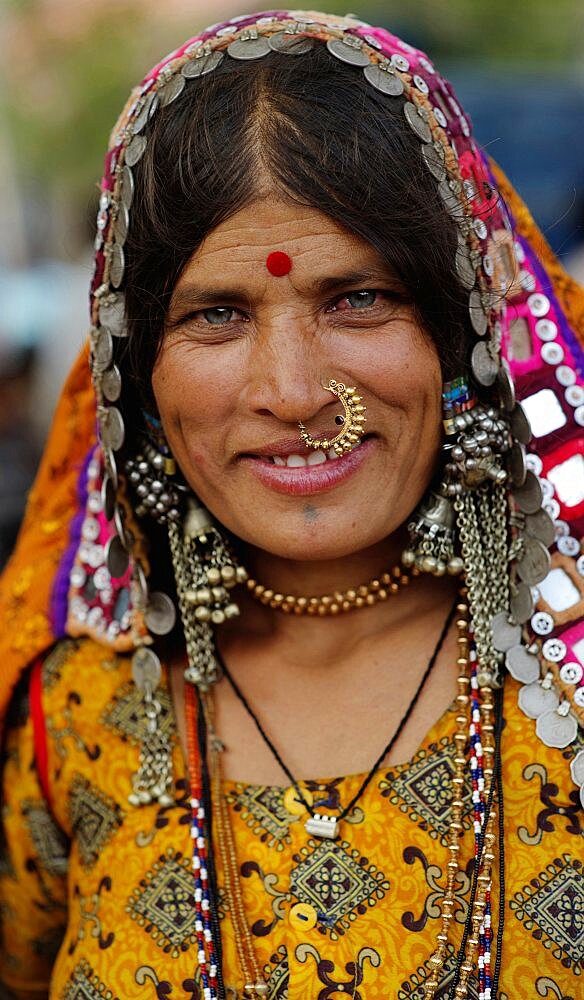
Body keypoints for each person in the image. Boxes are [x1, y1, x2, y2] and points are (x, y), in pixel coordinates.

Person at [0, 9, 583, 1000]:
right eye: (215, 314)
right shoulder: (72, 717)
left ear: (462, 328)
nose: (293, 391)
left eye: (357, 297)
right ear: (137, 374)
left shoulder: (567, 683)